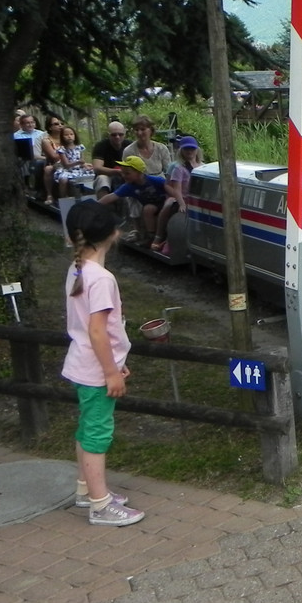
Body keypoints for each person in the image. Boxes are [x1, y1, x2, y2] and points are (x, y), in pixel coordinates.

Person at [62, 201, 144, 526]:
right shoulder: (101, 279)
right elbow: (98, 331)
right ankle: (100, 505)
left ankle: (86, 490)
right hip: (96, 371)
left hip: (83, 363)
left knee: (86, 429)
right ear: (113, 233)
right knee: (97, 434)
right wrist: (111, 372)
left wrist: (115, 363)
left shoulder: (77, 269)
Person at [99, 155, 167, 241]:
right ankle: (151, 235)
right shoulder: (129, 186)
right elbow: (112, 196)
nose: (123, 176)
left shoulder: (155, 180)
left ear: (139, 173)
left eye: (127, 173)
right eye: (122, 173)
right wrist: (95, 204)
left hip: (166, 202)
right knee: (148, 209)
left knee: (152, 208)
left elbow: (169, 187)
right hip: (153, 205)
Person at [152, 136, 201, 251]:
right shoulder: (177, 168)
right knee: (169, 206)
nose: (189, 151)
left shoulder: (202, 167)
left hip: (195, 199)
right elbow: (173, 187)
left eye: (192, 149)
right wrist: (181, 202)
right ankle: (160, 237)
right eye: (186, 149)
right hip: (179, 196)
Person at [53, 125, 93, 199]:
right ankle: (63, 197)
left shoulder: (80, 147)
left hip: (79, 169)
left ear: (75, 136)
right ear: (62, 137)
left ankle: (86, 195)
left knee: (91, 173)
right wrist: (78, 162)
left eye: (71, 134)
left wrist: (85, 165)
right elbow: (66, 165)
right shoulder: (62, 149)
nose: (69, 136)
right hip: (67, 170)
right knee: (63, 179)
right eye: (66, 135)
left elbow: (82, 162)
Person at [90, 121, 129, 197]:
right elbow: (97, 168)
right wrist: (117, 172)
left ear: (125, 134)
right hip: (107, 175)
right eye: (114, 135)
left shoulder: (129, 145)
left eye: (120, 134)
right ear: (108, 135)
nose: (117, 137)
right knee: (102, 179)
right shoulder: (100, 146)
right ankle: (103, 203)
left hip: (125, 175)